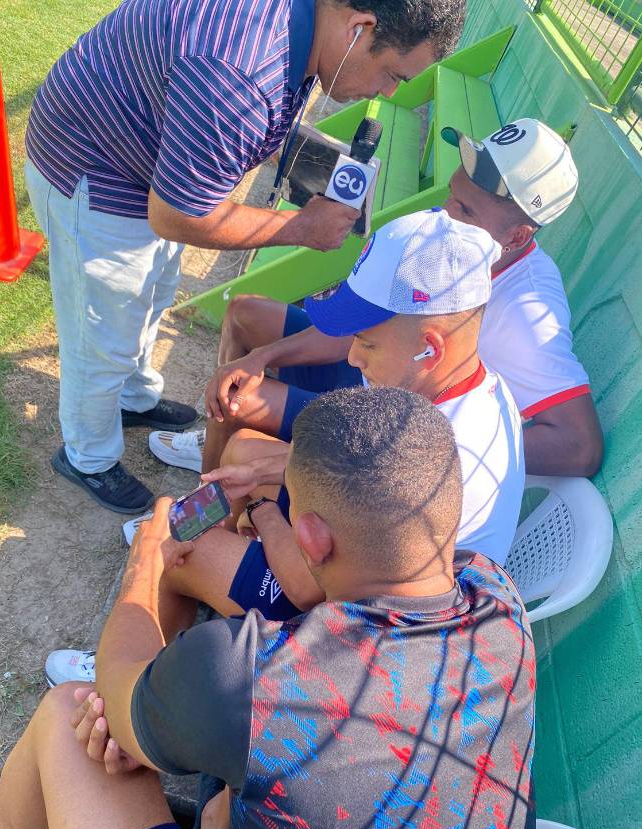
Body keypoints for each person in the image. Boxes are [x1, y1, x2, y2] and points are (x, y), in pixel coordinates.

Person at [0, 387, 536, 829]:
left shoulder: (258, 679)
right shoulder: (498, 596)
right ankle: (188, 773)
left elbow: (110, 704)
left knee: (71, 715)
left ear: (310, 537)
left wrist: (147, 564)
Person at [44, 208, 524, 685]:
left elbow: (304, 583)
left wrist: (263, 514)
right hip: (363, 568)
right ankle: (216, 584)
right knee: (245, 456)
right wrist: (259, 478)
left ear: (430, 348)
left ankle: (124, 677)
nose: (353, 357)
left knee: (180, 547)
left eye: (367, 344)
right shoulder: (459, 396)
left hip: (364, 642)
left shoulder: (418, 460)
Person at [25, 0, 465, 515]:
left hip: (145, 163)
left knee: (153, 292)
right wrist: (303, 227)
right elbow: (175, 215)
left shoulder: (299, 32)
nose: (389, 91)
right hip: (98, 175)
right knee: (103, 332)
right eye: (392, 74)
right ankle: (88, 456)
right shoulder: (241, 72)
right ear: (359, 27)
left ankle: (132, 400)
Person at [152, 118, 602, 479]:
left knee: (240, 402)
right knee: (244, 315)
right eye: (452, 196)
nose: (446, 213)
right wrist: (262, 356)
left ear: (519, 235)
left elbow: (580, 448)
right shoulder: (446, 237)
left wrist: (419, 454)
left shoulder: (527, 311)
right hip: (369, 362)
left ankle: (204, 509)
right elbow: (362, 326)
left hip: (384, 417)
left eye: (465, 210)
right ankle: (220, 434)